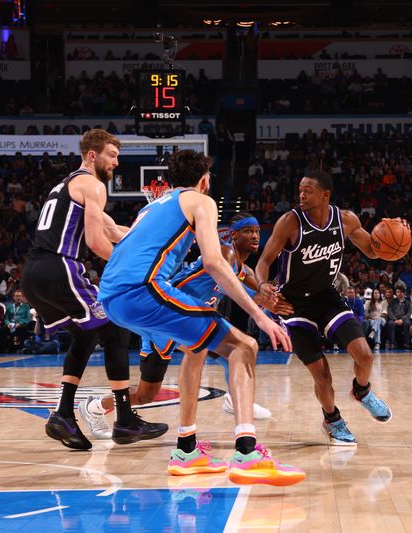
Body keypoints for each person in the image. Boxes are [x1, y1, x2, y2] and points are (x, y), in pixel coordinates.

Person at [98, 150, 303, 486]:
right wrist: (261, 317)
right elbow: (213, 262)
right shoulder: (201, 202)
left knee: (196, 348)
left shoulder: (153, 206)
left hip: (112, 296)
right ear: (205, 180)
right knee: (244, 345)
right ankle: (248, 453)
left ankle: (186, 450)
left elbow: (122, 241)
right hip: (144, 290)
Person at [21, 129, 168, 451]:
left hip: (33, 274)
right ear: (92, 155)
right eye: (112, 155)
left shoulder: (69, 185)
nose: (116, 162)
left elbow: (112, 229)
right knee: (114, 328)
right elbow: (95, 241)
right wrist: (134, 269)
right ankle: (125, 421)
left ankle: (62, 415)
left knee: (87, 335)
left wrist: (158, 242)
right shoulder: (93, 184)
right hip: (59, 266)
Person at [78, 213, 286, 439]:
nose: (255, 236)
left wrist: (273, 301)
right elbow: (229, 285)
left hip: (187, 323)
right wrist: (257, 302)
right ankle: (95, 407)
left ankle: (230, 403)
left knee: (235, 350)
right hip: (164, 318)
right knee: (147, 394)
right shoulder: (225, 253)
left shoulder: (244, 270)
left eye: (257, 231)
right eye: (248, 231)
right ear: (234, 235)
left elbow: (258, 292)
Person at [255, 170, 393, 447]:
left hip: (326, 297)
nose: (301, 195)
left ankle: (362, 391)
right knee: (322, 374)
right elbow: (264, 261)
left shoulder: (346, 220)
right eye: (300, 190)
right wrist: (262, 287)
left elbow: (374, 251)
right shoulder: (290, 222)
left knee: (365, 356)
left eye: (308, 191)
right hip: (293, 305)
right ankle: (332, 420)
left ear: (325, 195)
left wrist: (394, 236)